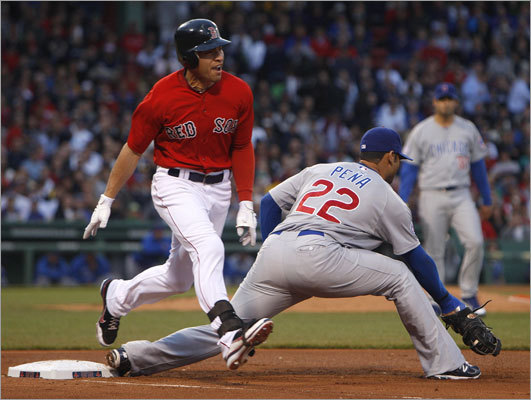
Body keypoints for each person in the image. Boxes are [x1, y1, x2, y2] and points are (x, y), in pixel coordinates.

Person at [105, 127, 499, 379]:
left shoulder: (321, 168)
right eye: (397, 160)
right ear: (391, 158)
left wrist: (274, 243)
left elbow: (270, 202)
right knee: (400, 277)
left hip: (276, 251)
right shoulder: (387, 196)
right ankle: (447, 365)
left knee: (230, 327)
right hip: (322, 256)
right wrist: (447, 301)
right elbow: (416, 258)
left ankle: (135, 357)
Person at [82, 18, 272, 369]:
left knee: (178, 278)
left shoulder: (239, 92)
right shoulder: (161, 96)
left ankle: (116, 296)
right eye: (209, 52)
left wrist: (246, 201)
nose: (219, 57)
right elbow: (133, 149)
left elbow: (242, 146)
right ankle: (229, 332)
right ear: (188, 58)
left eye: (220, 49)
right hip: (175, 184)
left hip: (219, 188)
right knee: (209, 247)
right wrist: (106, 199)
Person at [399, 82, 493, 316]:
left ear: (456, 102)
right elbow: (410, 169)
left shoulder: (467, 128)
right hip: (431, 193)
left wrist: (487, 198)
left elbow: (478, 166)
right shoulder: (422, 130)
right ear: (434, 102)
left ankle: (469, 293)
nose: (446, 103)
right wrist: (402, 198)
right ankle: (436, 298)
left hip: (461, 193)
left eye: (449, 98)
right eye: (442, 99)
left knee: (475, 241)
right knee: (434, 249)